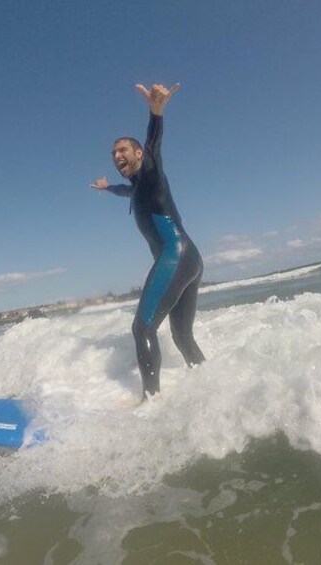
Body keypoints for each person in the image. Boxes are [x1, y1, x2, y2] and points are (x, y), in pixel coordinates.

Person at [90, 83, 205, 399]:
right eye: (114, 153)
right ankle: (209, 388)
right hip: (190, 258)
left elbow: (154, 147)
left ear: (137, 153)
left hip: (175, 254)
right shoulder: (137, 186)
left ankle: (150, 404)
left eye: (123, 150)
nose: (117, 155)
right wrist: (106, 188)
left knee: (142, 329)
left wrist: (156, 113)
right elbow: (125, 191)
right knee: (181, 336)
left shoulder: (150, 172)